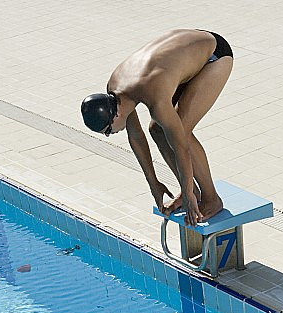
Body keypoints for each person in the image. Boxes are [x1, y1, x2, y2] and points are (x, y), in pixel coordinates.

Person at [81, 29, 233, 225]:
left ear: (115, 115)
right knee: (157, 129)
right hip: (180, 57)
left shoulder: (153, 95)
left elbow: (180, 146)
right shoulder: (115, 91)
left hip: (214, 56)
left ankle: (211, 199)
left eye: (108, 131)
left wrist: (186, 195)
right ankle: (192, 191)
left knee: (181, 131)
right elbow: (136, 136)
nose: (110, 135)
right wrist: (153, 183)